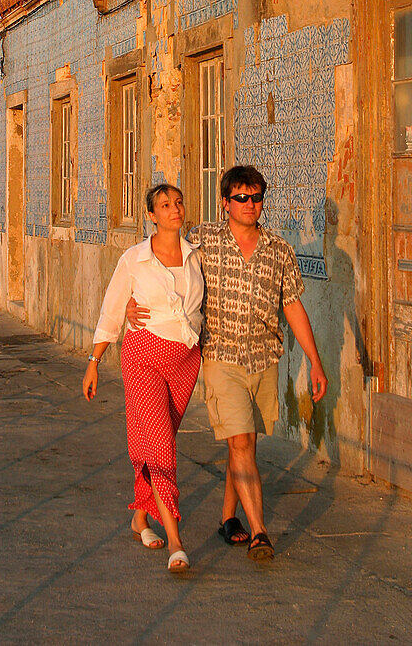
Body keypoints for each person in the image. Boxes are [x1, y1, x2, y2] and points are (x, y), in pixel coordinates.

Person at [129, 165, 327, 563]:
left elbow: (292, 305)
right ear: (225, 203)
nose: (250, 204)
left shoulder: (279, 250)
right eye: (241, 198)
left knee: (247, 442)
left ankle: (226, 518)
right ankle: (260, 532)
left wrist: (315, 361)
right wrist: (135, 302)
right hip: (220, 355)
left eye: (256, 198)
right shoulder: (203, 242)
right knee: (239, 441)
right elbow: (162, 262)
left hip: (264, 357)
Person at [82, 184, 204, 574]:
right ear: (151, 215)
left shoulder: (195, 256)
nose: (175, 210)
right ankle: (176, 541)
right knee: (162, 446)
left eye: (178, 202)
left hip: (185, 360)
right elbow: (113, 308)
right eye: (165, 205)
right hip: (143, 357)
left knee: (158, 441)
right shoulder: (134, 259)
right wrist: (94, 361)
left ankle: (140, 518)